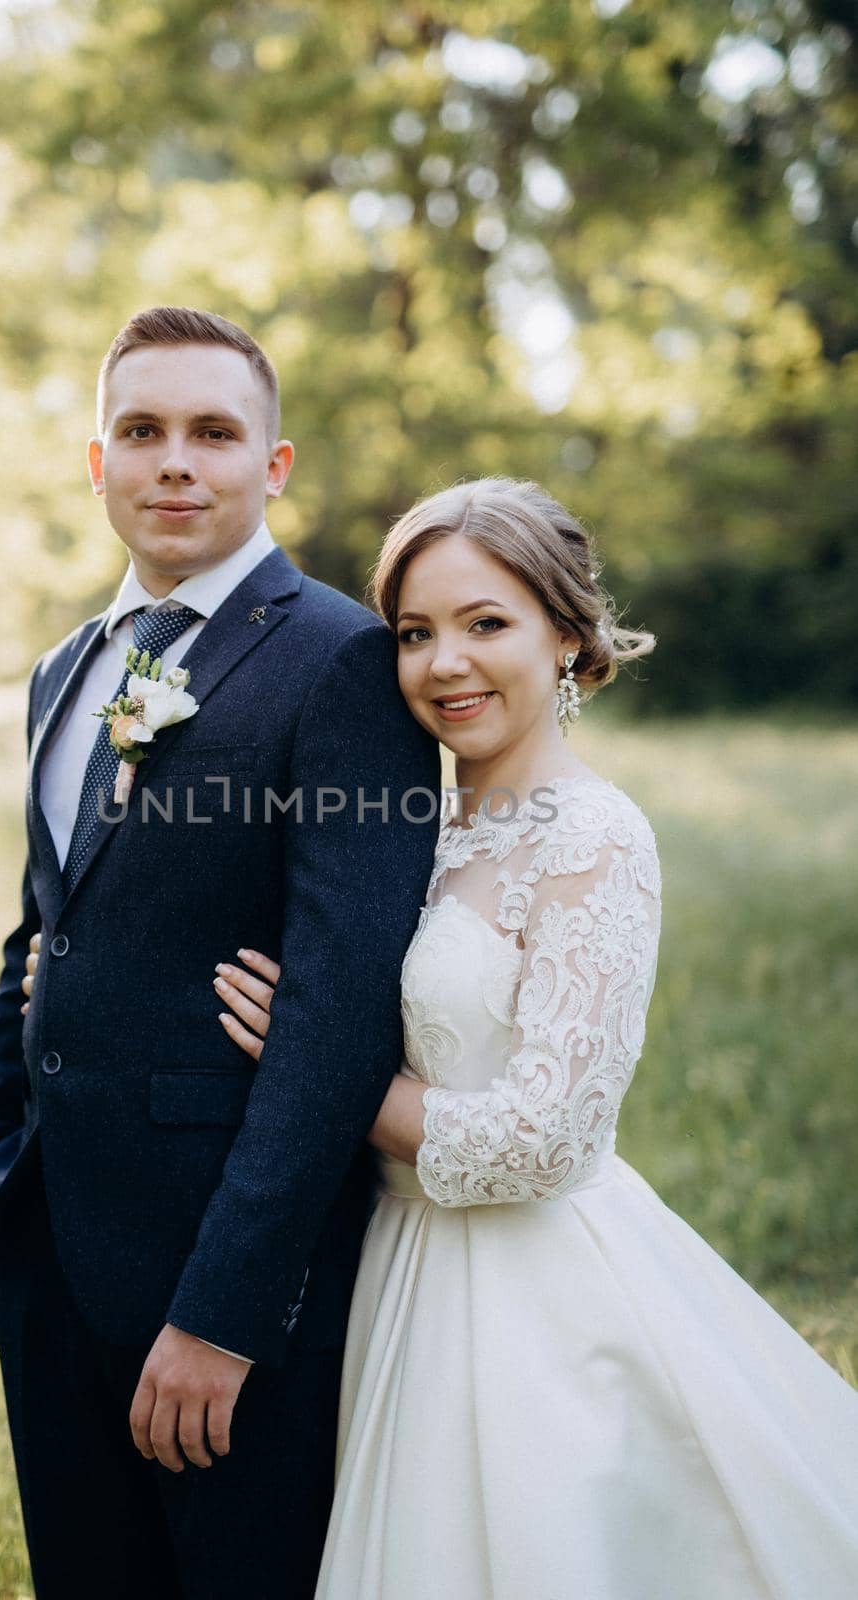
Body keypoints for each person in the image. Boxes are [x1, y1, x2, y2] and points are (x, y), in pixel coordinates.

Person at [197, 478, 858, 1599]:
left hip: (529, 1298)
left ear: (564, 634)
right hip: (386, 1269)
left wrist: (323, 1077)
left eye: (485, 623)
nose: (445, 663)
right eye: (415, 633)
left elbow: (544, 1136)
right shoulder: (406, 824)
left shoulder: (595, 835)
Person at [0, 306, 440, 1599]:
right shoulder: (65, 667)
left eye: (215, 432)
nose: (176, 461)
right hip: (45, 1235)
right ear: (93, 460)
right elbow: (46, 917)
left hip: (217, 1268)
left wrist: (226, 1314)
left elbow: (336, 1013)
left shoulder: (342, 663)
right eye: (142, 430)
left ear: (272, 465)